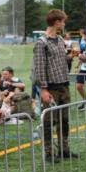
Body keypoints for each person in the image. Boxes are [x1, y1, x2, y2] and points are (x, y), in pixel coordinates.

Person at [31, 10, 77, 162]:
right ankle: (49, 153)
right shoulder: (41, 42)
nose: (64, 24)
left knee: (64, 120)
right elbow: (39, 67)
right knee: (49, 121)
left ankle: (64, 149)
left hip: (63, 85)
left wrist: (71, 56)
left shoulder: (59, 39)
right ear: (57, 22)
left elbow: (61, 60)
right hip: (50, 88)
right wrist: (43, 89)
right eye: (63, 21)